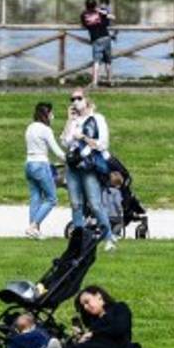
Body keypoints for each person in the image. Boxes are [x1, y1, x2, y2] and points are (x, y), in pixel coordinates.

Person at [62, 90, 115, 250]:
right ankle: (78, 243)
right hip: (73, 166)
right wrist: (69, 121)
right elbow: (65, 142)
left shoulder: (97, 119)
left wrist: (83, 138)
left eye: (79, 98)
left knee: (95, 204)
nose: (75, 101)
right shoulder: (74, 121)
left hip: (88, 165)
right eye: (73, 99)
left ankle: (109, 239)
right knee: (76, 204)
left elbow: (103, 143)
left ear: (87, 100)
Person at [60, 285, 147, 348]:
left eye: (87, 302)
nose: (86, 307)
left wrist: (93, 334)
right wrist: (80, 336)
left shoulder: (119, 308)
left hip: (116, 345)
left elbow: (120, 328)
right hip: (99, 345)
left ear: (98, 296)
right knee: (74, 347)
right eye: (83, 306)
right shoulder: (94, 320)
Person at [24, 102, 65, 239]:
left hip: (29, 164)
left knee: (35, 197)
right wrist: (68, 160)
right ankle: (34, 226)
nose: (52, 116)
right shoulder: (45, 130)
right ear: (46, 114)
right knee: (51, 198)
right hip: (41, 165)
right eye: (51, 113)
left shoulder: (30, 127)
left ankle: (33, 230)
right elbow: (57, 151)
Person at [80, 0, 115, 87]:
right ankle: (110, 81)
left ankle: (95, 82)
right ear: (95, 5)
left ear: (86, 6)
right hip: (106, 37)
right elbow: (110, 20)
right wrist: (101, 11)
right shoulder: (101, 13)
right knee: (108, 61)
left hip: (96, 39)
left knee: (96, 61)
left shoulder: (84, 15)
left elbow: (84, 25)